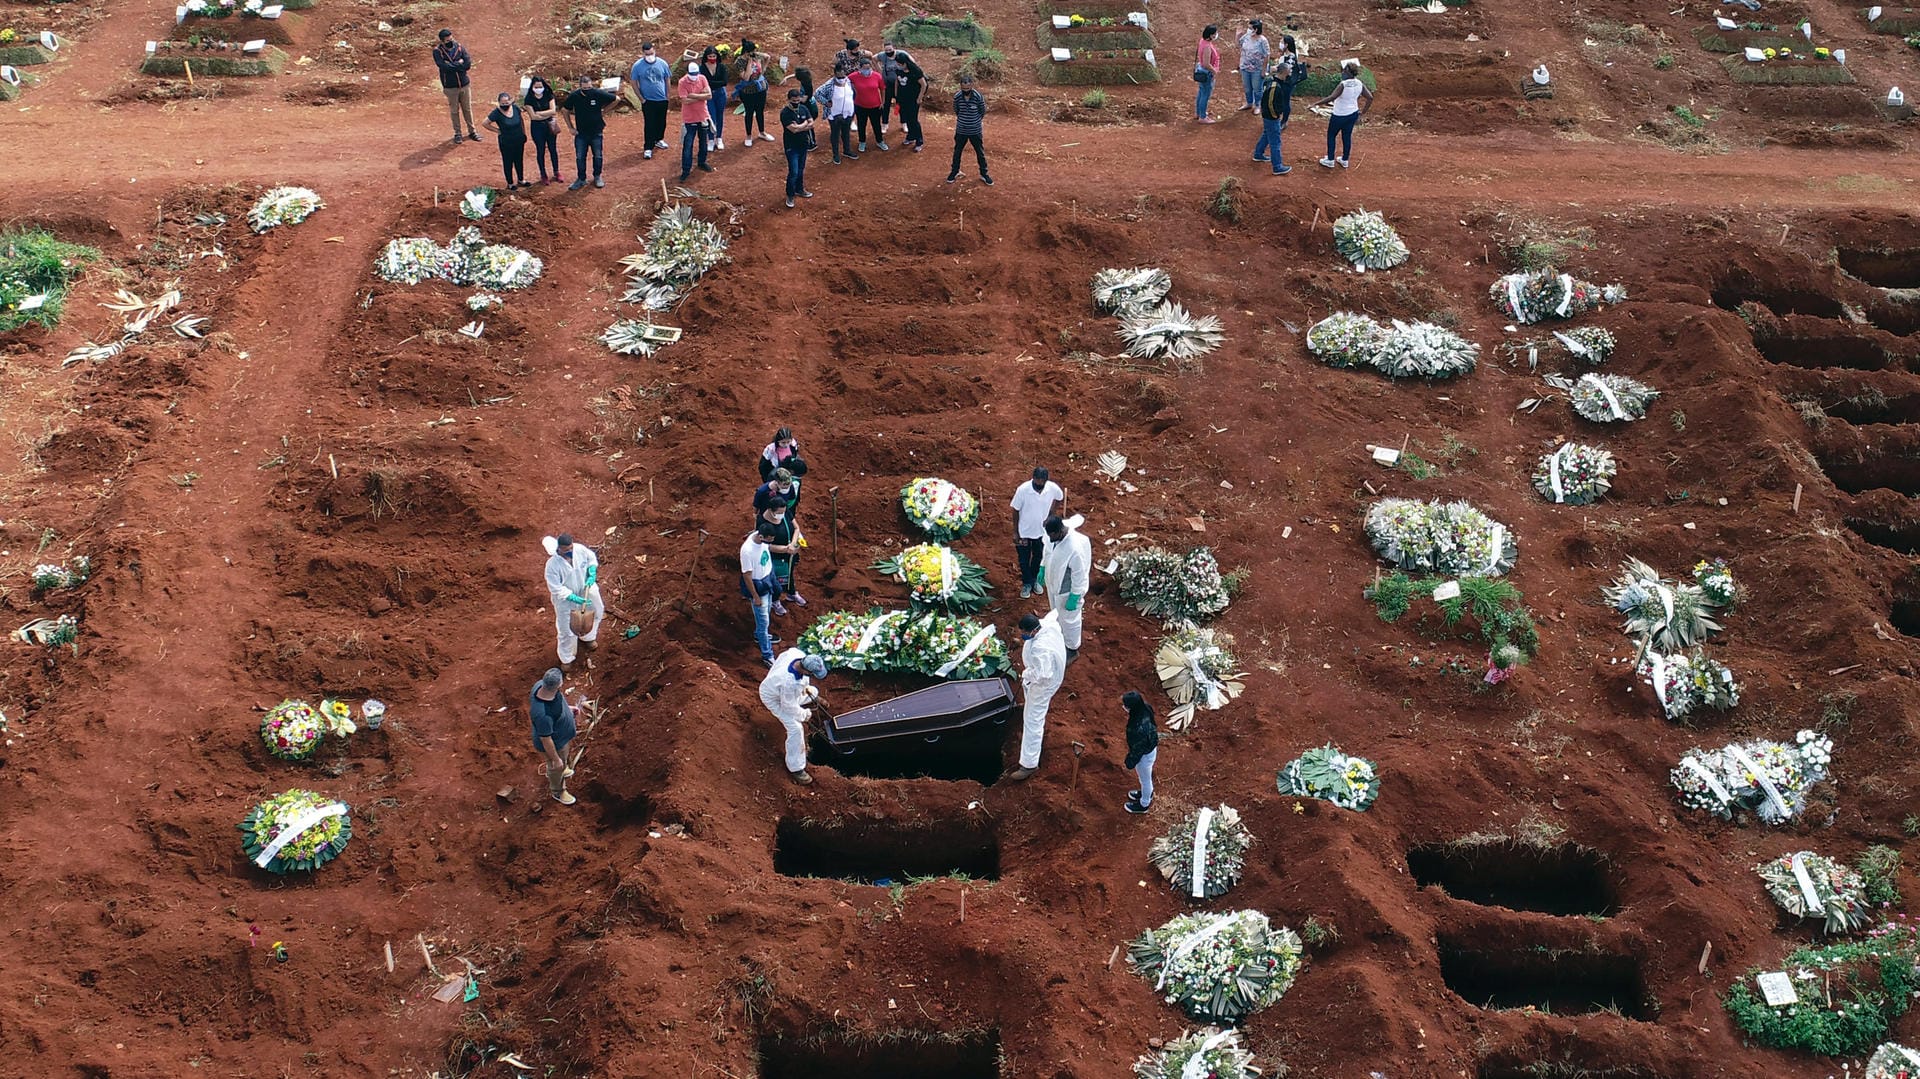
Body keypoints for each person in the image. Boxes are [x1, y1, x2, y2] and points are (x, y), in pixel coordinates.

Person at [1008, 611, 1067, 782]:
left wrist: (1027, 674)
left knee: (1033, 720)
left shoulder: (1041, 650)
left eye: (1025, 633)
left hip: (1043, 685)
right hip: (1048, 673)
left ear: (1033, 631)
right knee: (1030, 711)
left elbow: (1043, 674)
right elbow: (1054, 614)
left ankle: (1029, 763)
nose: (1023, 636)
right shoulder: (1048, 625)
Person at [759, 649, 828, 785]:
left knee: (812, 690)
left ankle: (812, 696)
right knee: (796, 728)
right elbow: (788, 707)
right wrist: (804, 714)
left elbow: (782, 657)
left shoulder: (797, 654)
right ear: (806, 671)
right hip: (773, 697)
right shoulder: (789, 683)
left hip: (783, 691)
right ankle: (796, 768)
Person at [543, 533, 604, 666]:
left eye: (571, 548)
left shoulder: (579, 550)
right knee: (566, 629)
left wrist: (592, 571)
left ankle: (588, 636)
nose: (570, 552)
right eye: (566, 550)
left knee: (596, 611)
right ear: (559, 549)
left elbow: (591, 558)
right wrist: (572, 597)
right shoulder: (552, 566)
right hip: (565, 599)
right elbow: (556, 588)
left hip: (585, 589)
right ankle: (567, 656)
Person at [1039, 514, 1092, 657]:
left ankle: (1072, 649)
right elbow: (1047, 551)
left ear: (1060, 531)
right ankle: (1059, 637)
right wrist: (1042, 567)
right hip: (1053, 583)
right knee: (1056, 612)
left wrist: (1075, 596)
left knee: (1069, 620)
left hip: (1066, 590)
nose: (1049, 539)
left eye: (1052, 536)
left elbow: (1079, 575)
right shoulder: (1052, 535)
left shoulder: (1074, 548)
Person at [1010, 468, 1063, 599]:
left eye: (1042, 481)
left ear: (1046, 480)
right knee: (1023, 559)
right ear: (1033, 477)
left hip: (1040, 532)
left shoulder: (1052, 488)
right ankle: (1027, 583)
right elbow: (1015, 510)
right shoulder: (1023, 490)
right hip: (1024, 532)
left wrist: (1051, 513)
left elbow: (1060, 497)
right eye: (1037, 480)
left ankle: (1034, 580)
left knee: (1038, 556)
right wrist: (1016, 532)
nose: (1039, 483)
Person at [1314, 60, 1375, 169]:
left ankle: (1330, 160)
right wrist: (1362, 112)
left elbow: (1332, 97)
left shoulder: (1343, 84)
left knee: (1331, 135)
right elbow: (1370, 97)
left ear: (1347, 71)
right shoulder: (1359, 83)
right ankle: (1345, 160)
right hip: (1352, 114)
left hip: (1339, 114)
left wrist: (1316, 103)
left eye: (1343, 71)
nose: (1342, 73)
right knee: (1346, 136)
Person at [530, 668, 578, 805]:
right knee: (555, 767)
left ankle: (563, 767)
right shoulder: (542, 715)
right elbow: (546, 740)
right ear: (558, 685)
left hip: (562, 739)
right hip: (555, 744)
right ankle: (558, 791)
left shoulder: (542, 686)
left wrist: (568, 709)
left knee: (563, 758)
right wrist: (556, 759)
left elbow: (558, 701)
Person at [561, 74, 617, 190]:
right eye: (584, 88)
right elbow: (564, 110)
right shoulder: (575, 96)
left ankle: (597, 176)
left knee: (598, 155)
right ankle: (581, 179)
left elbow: (616, 99)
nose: (587, 90)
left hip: (596, 132)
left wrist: (604, 111)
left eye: (589, 88)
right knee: (580, 157)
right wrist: (570, 127)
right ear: (580, 86)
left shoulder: (597, 93)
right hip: (581, 133)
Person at [740, 524, 781, 665]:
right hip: (759, 586)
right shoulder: (747, 551)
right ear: (761, 537)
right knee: (763, 622)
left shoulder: (761, 536)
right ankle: (767, 655)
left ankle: (759, 636)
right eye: (768, 540)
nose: (769, 542)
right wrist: (756, 596)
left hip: (768, 577)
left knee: (767, 611)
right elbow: (747, 575)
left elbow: (768, 548)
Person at [755, 499, 804, 616]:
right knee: (775, 580)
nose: (782, 514)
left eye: (784, 511)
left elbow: (796, 528)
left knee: (789, 572)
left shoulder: (785, 513)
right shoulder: (762, 522)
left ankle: (791, 593)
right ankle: (775, 601)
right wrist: (785, 549)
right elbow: (764, 545)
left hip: (789, 553)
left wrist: (792, 544)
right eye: (779, 512)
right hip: (774, 557)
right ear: (771, 511)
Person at [628, 42, 672, 160]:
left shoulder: (662, 63)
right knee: (649, 124)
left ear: (654, 50)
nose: (650, 56)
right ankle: (648, 147)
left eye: (651, 53)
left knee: (661, 122)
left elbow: (667, 78)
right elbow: (633, 82)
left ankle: (659, 139)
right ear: (643, 53)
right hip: (648, 101)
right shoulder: (637, 66)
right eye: (647, 54)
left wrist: (668, 95)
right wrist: (641, 98)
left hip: (662, 99)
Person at [433, 29, 478, 144]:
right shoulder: (438, 51)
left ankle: (472, 131)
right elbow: (444, 67)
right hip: (450, 86)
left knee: (467, 109)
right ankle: (458, 133)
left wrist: (453, 65)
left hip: (464, 84)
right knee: (454, 111)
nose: (450, 41)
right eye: (448, 40)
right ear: (442, 41)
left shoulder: (459, 47)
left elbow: (467, 64)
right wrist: (459, 63)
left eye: (451, 39)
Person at [947, 72, 991, 185]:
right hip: (961, 130)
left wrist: (974, 122)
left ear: (971, 85)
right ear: (960, 86)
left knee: (980, 153)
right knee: (957, 152)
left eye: (967, 88)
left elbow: (982, 111)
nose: (965, 90)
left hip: (975, 131)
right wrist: (963, 120)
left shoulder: (978, 97)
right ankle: (954, 171)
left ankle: (984, 174)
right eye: (963, 88)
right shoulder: (957, 97)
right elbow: (956, 110)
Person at [676, 59, 714, 182]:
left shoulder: (702, 78)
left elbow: (709, 95)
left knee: (703, 142)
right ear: (688, 73)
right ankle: (686, 169)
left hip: (702, 116)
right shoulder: (682, 82)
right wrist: (701, 96)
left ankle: (702, 162)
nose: (694, 77)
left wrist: (693, 95)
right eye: (692, 75)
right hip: (689, 119)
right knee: (688, 145)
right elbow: (684, 101)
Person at [1252, 59, 1292, 175]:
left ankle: (1258, 154)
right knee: (1275, 142)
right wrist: (1275, 115)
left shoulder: (1273, 82)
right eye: (1289, 71)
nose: (1290, 74)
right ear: (1284, 72)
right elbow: (1269, 103)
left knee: (1266, 134)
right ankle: (1277, 167)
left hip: (1268, 117)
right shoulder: (1275, 86)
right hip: (1271, 117)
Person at [1121, 690, 1159, 814]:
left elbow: (1138, 749)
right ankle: (1146, 793)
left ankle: (1144, 804)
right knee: (1145, 779)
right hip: (1151, 748)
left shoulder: (1138, 728)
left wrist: (1130, 761)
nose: (1124, 707)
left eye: (1126, 705)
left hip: (1144, 755)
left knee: (1145, 780)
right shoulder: (1146, 709)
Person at [780, 87, 816, 208]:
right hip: (791, 146)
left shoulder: (804, 108)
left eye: (797, 100)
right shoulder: (785, 113)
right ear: (788, 100)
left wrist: (801, 126)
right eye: (793, 101)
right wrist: (805, 124)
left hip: (803, 144)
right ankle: (790, 194)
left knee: (801, 169)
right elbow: (793, 129)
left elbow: (811, 123)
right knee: (793, 171)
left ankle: (799, 189)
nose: (796, 103)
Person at [483, 92, 528, 189]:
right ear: (499, 103)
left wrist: (524, 133)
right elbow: (485, 123)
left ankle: (521, 179)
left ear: (510, 101)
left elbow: (521, 121)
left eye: (507, 103)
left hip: (518, 139)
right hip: (506, 142)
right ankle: (510, 183)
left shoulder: (515, 108)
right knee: (508, 162)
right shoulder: (496, 113)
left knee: (519, 160)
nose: (505, 105)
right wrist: (498, 131)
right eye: (502, 103)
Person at [524, 75, 562, 184]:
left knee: (553, 149)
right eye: (536, 87)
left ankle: (556, 171)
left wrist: (540, 113)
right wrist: (547, 113)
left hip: (550, 126)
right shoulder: (529, 99)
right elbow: (533, 117)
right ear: (532, 87)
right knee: (540, 150)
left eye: (540, 86)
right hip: (537, 128)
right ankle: (543, 174)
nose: (538, 89)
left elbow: (553, 110)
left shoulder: (548, 95)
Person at [737, 41, 772, 147]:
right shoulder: (739, 62)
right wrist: (749, 62)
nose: (754, 53)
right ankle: (748, 135)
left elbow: (767, 57)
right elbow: (746, 77)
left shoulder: (757, 56)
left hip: (760, 89)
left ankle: (762, 132)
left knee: (760, 111)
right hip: (748, 91)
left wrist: (763, 67)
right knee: (749, 113)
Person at [850, 56, 887, 152]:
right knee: (861, 125)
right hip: (860, 106)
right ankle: (862, 142)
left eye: (869, 68)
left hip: (875, 106)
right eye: (865, 68)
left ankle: (880, 141)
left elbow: (882, 89)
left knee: (876, 125)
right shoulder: (853, 77)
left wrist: (882, 102)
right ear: (860, 68)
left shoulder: (877, 76)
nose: (867, 70)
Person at [698, 46, 731, 151]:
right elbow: (703, 82)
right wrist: (713, 84)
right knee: (710, 116)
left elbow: (724, 82)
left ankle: (719, 138)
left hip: (720, 94)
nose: (712, 58)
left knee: (720, 115)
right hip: (708, 95)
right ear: (706, 56)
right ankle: (711, 139)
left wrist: (710, 83)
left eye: (714, 56)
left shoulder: (721, 67)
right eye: (710, 56)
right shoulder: (702, 68)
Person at [893, 49, 926, 152]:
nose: (898, 65)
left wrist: (920, 97)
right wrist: (896, 95)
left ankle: (919, 141)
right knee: (906, 118)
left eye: (900, 64)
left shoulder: (915, 71)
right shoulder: (898, 70)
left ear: (905, 63)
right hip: (902, 99)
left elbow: (923, 85)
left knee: (913, 120)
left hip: (913, 100)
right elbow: (897, 82)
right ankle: (910, 136)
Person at [823, 66, 856, 163]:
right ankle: (836, 154)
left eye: (843, 76)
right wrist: (826, 102)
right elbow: (817, 94)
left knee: (846, 133)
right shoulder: (829, 85)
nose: (841, 79)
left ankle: (847, 150)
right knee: (835, 134)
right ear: (835, 74)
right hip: (835, 115)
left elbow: (853, 94)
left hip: (847, 113)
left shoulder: (849, 82)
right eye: (839, 76)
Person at [1236, 19, 1271, 112]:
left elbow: (1267, 55)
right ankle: (1249, 103)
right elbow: (1238, 45)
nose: (1248, 30)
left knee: (1257, 88)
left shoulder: (1263, 41)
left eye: (1250, 28)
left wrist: (1263, 70)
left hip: (1257, 69)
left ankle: (1258, 105)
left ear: (1256, 29)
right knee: (1247, 87)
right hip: (1245, 67)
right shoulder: (1246, 37)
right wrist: (1237, 36)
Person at [1194, 25, 1221, 122]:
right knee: (1205, 94)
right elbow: (1206, 64)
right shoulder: (1207, 47)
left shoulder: (1202, 41)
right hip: (1207, 73)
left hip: (1201, 70)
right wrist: (1214, 71)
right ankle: (1202, 117)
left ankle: (1198, 113)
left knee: (1201, 92)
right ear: (1210, 35)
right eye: (1214, 34)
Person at [878, 41, 901, 133]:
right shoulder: (883, 56)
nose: (888, 52)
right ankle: (884, 124)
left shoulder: (901, 55)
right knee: (885, 105)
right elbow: (873, 59)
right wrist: (880, 71)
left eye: (890, 50)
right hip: (887, 85)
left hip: (899, 85)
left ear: (894, 48)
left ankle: (904, 122)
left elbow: (911, 62)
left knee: (900, 104)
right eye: (886, 50)